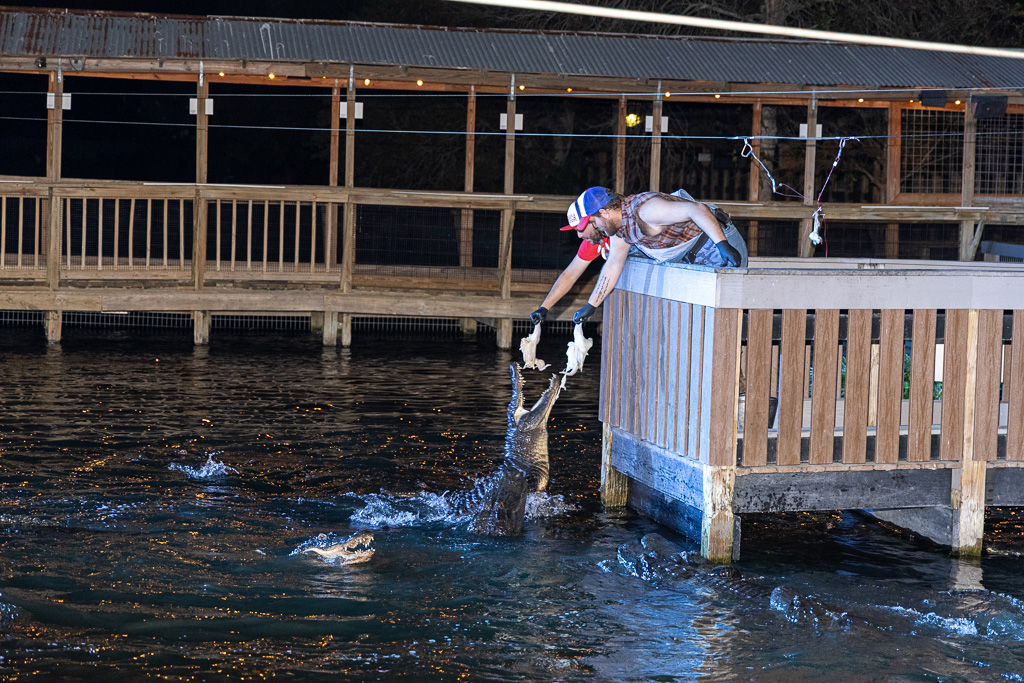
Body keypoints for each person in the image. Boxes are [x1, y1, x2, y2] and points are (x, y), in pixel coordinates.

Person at [530, 187, 747, 326]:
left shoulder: (644, 210)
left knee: (727, 321)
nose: (580, 235)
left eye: (591, 224)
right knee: (707, 324)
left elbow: (697, 209)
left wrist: (722, 244)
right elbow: (613, 265)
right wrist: (591, 305)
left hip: (716, 246)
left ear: (604, 212)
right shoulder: (618, 230)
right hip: (690, 257)